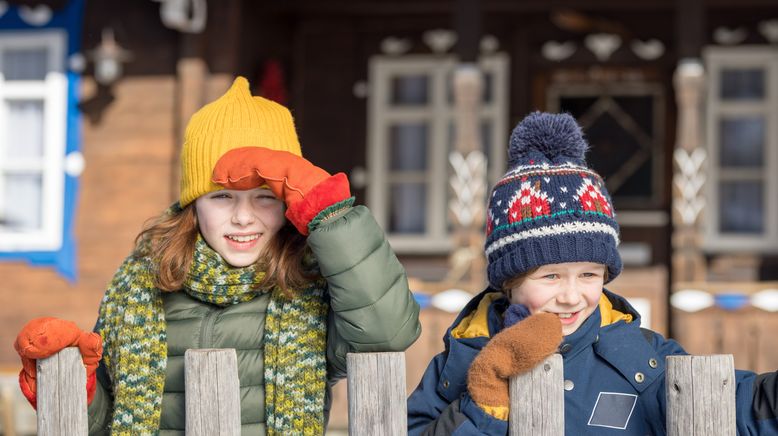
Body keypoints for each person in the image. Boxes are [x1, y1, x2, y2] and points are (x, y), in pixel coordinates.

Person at [14, 77, 421, 435]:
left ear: (289, 204)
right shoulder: (137, 288)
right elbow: (109, 424)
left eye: (264, 197)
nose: (243, 217)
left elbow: (387, 332)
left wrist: (332, 217)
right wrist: (72, 387)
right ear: (194, 205)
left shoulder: (313, 287)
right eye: (223, 196)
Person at [407, 111, 778, 435]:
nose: (572, 295)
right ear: (510, 280)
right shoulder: (462, 358)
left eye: (589, 275)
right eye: (550, 276)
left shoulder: (635, 357)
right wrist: (486, 394)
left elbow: (732, 404)